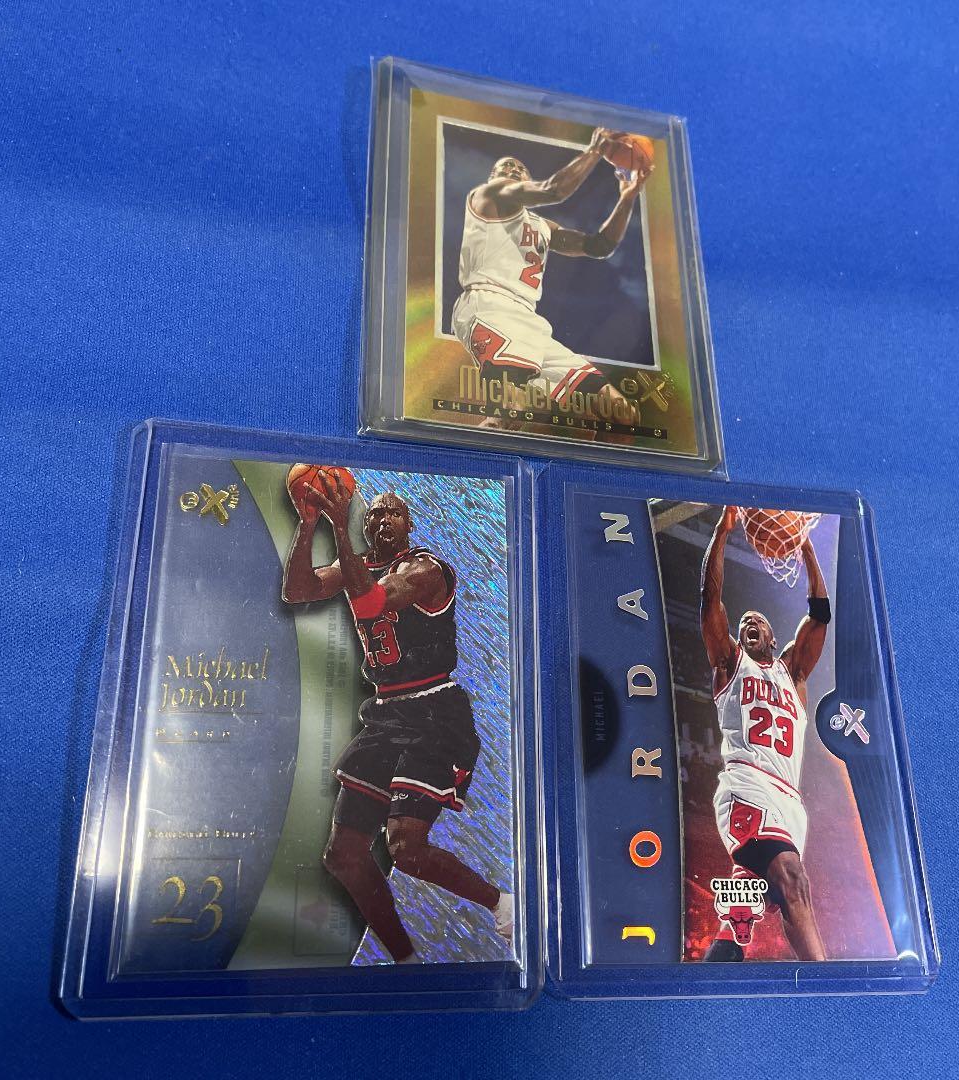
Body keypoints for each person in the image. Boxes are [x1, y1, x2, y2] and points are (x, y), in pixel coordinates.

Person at [282, 470, 513, 963]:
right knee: (343, 856)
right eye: (374, 514)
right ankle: (405, 961)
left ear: (409, 525)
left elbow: (372, 602)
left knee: (405, 847)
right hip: (387, 711)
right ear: (366, 527)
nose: (383, 519)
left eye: (394, 513)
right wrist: (308, 524)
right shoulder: (358, 564)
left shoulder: (425, 568)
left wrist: (339, 526)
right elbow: (298, 591)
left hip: (434, 711)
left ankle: (503, 904)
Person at [699, 505, 831, 961]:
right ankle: (826, 983)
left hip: (790, 801)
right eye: (743, 625)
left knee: (748, 901)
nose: (748, 625)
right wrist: (722, 532)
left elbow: (820, 615)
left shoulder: (793, 673)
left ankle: (718, 964)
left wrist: (806, 547)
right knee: (793, 880)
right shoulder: (729, 664)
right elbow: (710, 600)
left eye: (756, 622)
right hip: (747, 786)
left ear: (775, 639)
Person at [452, 128, 651, 423]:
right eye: (505, 167)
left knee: (621, 412)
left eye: (519, 168)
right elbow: (553, 190)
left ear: (527, 179)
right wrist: (594, 151)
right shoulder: (488, 194)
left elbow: (599, 246)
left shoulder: (543, 226)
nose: (512, 169)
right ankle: (471, 447)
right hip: (489, 305)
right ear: (492, 178)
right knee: (511, 411)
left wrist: (627, 196)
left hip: (529, 318)